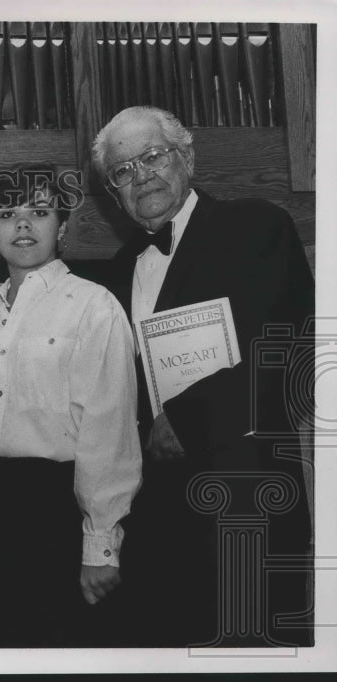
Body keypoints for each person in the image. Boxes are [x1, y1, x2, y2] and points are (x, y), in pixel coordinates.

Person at [92, 105, 314, 647]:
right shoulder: (117, 273)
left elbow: (285, 350)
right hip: (156, 520)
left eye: (153, 156)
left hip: (248, 502)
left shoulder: (255, 225)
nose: (141, 174)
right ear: (111, 191)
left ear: (186, 157)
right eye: (123, 170)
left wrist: (185, 420)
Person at [0, 166, 142, 647]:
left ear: (63, 227)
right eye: (7, 214)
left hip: (62, 512)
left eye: (39, 211)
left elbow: (110, 432)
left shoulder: (93, 306)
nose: (22, 225)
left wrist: (100, 543)